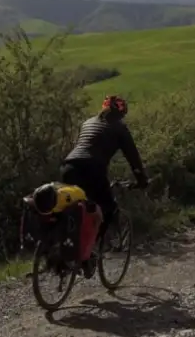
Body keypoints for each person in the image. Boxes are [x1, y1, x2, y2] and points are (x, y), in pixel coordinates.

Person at [60, 95, 149, 252]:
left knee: (74, 207)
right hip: (93, 168)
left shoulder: (87, 123)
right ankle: (92, 249)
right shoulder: (120, 128)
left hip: (69, 166)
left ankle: (65, 245)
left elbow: (83, 147)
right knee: (108, 208)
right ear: (121, 114)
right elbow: (133, 158)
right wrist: (142, 180)